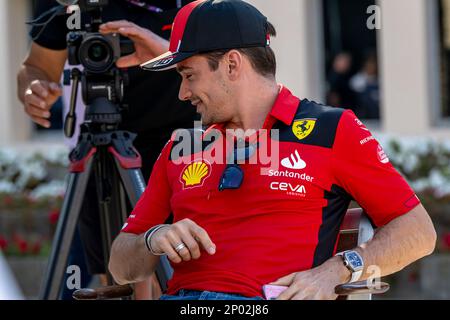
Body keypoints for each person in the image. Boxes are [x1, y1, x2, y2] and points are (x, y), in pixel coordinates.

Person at [108, 0, 436, 300]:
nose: (182, 93)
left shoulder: (331, 130)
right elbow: (121, 265)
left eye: (189, 75)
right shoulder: (181, 148)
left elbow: (417, 232)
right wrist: (154, 237)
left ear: (233, 65)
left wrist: (337, 270)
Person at [17, 0, 198, 299]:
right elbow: (36, 66)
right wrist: (34, 88)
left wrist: (167, 52)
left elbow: (227, 62)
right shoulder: (69, 5)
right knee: (114, 275)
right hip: (96, 143)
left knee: (176, 268)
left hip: (178, 144)